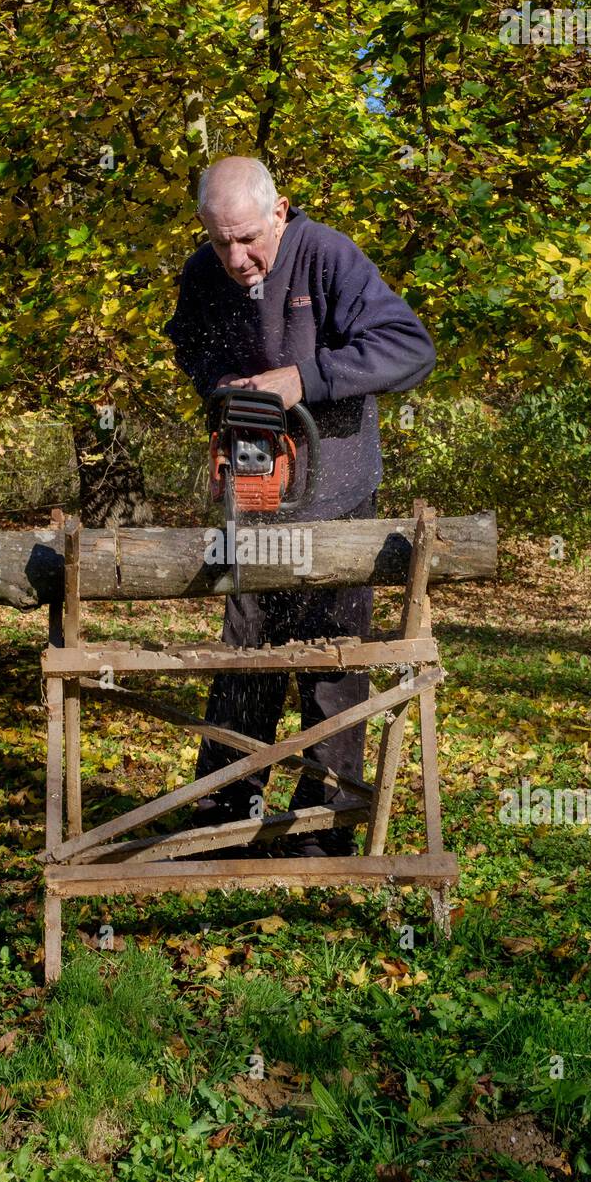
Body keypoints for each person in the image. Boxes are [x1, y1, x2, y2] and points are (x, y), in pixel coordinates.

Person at [164, 156, 436, 857]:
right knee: (246, 653)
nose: (236, 256)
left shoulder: (327, 256)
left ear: (279, 210)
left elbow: (409, 348)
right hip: (251, 500)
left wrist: (305, 379)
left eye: (249, 237)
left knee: (333, 662)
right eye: (220, 240)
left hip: (336, 496)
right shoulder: (204, 272)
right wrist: (218, 382)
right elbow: (186, 341)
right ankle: (226, 809)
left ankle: (326, 823)